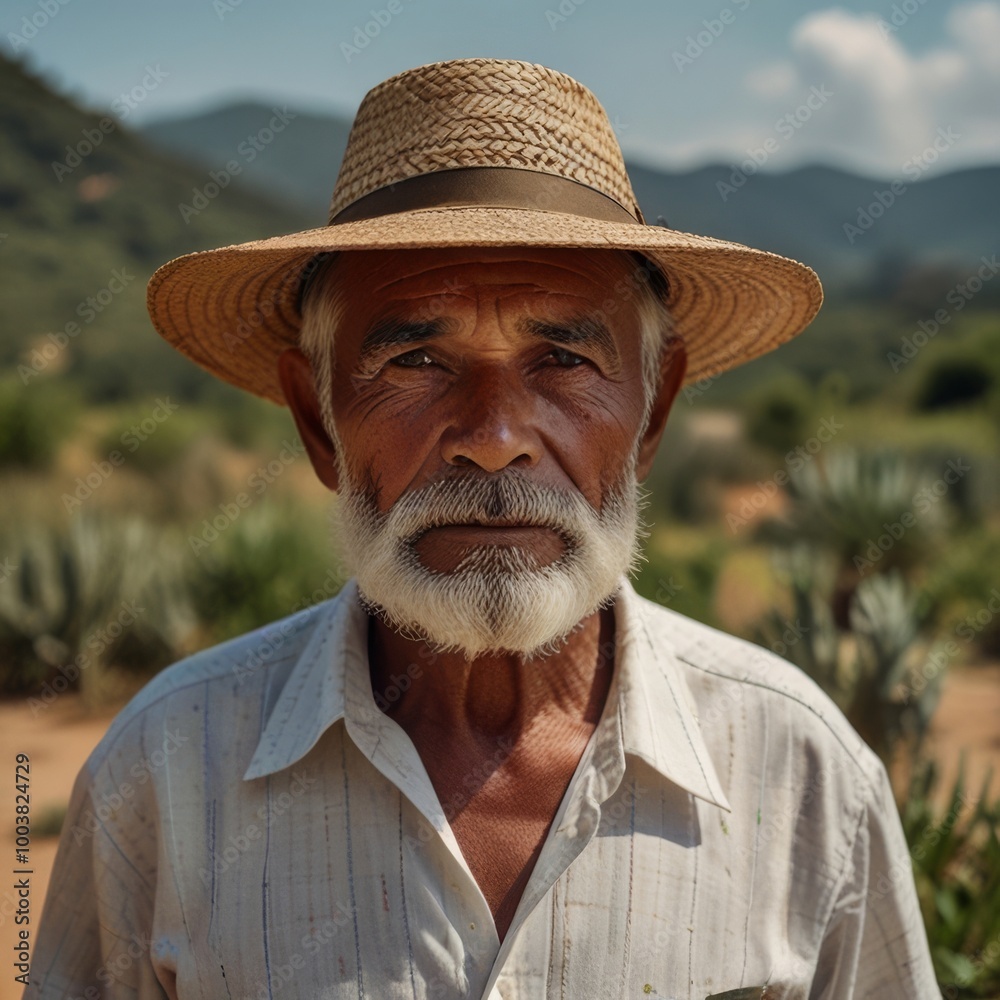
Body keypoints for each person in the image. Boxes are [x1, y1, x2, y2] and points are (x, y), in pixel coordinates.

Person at [26, 58, 938, 999]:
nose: (495, 441)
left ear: (654, 413)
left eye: (563, 358)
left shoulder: (802, 772)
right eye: (417, 358)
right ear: (317, 418)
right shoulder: (166, 772)